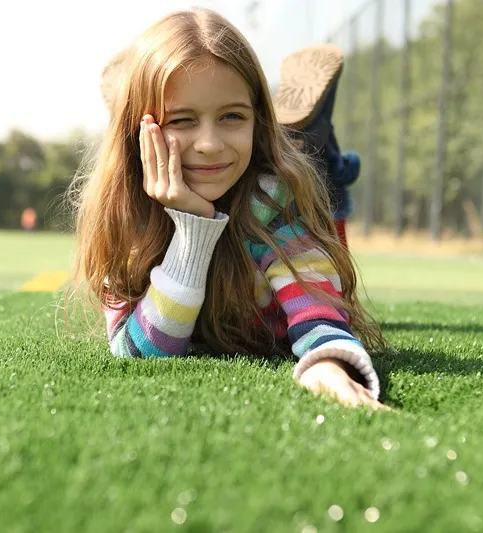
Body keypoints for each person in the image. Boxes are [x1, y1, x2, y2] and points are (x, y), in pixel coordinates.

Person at [72, 8, 388, 410]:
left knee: (316, 170)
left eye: (232, 115)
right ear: (137, 131)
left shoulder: (271, 202)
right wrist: (194, 226)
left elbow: (316, 302)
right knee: (300, 157)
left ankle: (312, 131)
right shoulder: (125, 214)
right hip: (247, 154)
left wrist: (325, 361)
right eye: (182, 120)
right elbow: (139, 353)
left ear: (256, 118)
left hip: (277, 163)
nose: (209, 143)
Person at [274, 45, 360, 248]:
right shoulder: (321, 131)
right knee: (333, 263)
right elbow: (342, 172)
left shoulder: (279, 134)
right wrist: (352, 163)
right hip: (327, 207)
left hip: (290, 210)